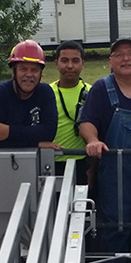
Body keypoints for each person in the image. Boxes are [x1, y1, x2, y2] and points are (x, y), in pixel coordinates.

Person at [79, 38, 131, 253]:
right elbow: (87, 121)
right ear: (110, 61)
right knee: (115, 227)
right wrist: (93, 140)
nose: (126, 58)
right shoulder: (101, 88)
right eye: (119, 55)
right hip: (114, 173)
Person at [0, 40, 57, 148]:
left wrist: (9, 131)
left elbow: (49, 132)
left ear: (41, 73)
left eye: (34, 70)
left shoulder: (45, 93)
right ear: (14, 71)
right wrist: (36, 143)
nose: (29, 74)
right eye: (23, 69)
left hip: (37, 159)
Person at [44, 41, 92, 183]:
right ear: (56, 63)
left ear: (82, 64)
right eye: (64, 60)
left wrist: (92, 169)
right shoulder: (46, 93)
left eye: (75, 61)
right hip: (50, 162)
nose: (70, 66)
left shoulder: (92, 92)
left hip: (82, 161)